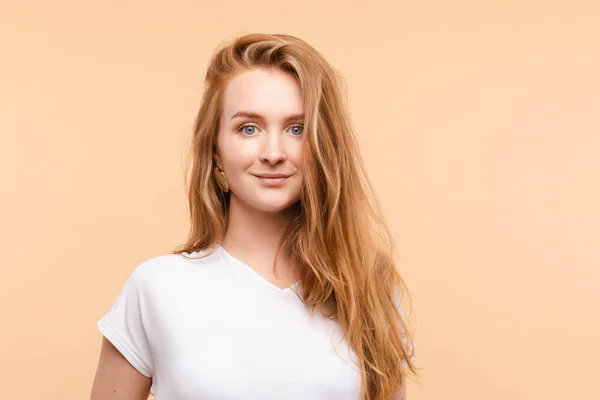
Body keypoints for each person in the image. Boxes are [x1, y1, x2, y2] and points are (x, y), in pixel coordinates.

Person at [90, 33, 416, 400]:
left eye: (297, 129)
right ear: (215, 151)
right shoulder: (156, 288)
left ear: (324, 146)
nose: (273, 152)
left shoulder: (368, 286)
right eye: (248, 128)